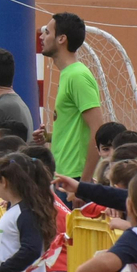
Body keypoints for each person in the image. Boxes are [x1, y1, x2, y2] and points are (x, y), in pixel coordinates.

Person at [41, 13, 105, 181]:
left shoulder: (77, 76)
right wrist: (48, 137)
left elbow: (97, 130)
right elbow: (75, 129)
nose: (42, 36)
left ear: (61, 39)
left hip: (75, 177)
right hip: (63, 175)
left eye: (47, 32)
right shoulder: (67, 74)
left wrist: (83, 184)